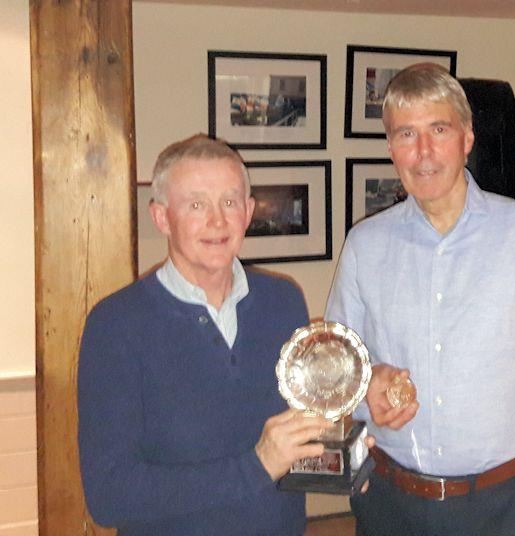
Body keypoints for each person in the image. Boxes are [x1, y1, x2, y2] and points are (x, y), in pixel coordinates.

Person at [325, 64, 515, 536]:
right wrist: (365, 389)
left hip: (501, 509)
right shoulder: (365, 245)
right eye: (406, 133)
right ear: (390, 148)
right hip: (387, 505)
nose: (423, 152)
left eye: (438, 130)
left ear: (466, 137)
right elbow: (336, 369)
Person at [78, 134, 332, 535]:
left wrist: (342, 465)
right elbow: (109, 496)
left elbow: (289, 450)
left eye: (230, 202)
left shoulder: (283, 302)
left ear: (248, 212)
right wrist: (255, 465)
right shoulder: (116, 325)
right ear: (161, 217)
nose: (218, 220)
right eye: (196, 204)